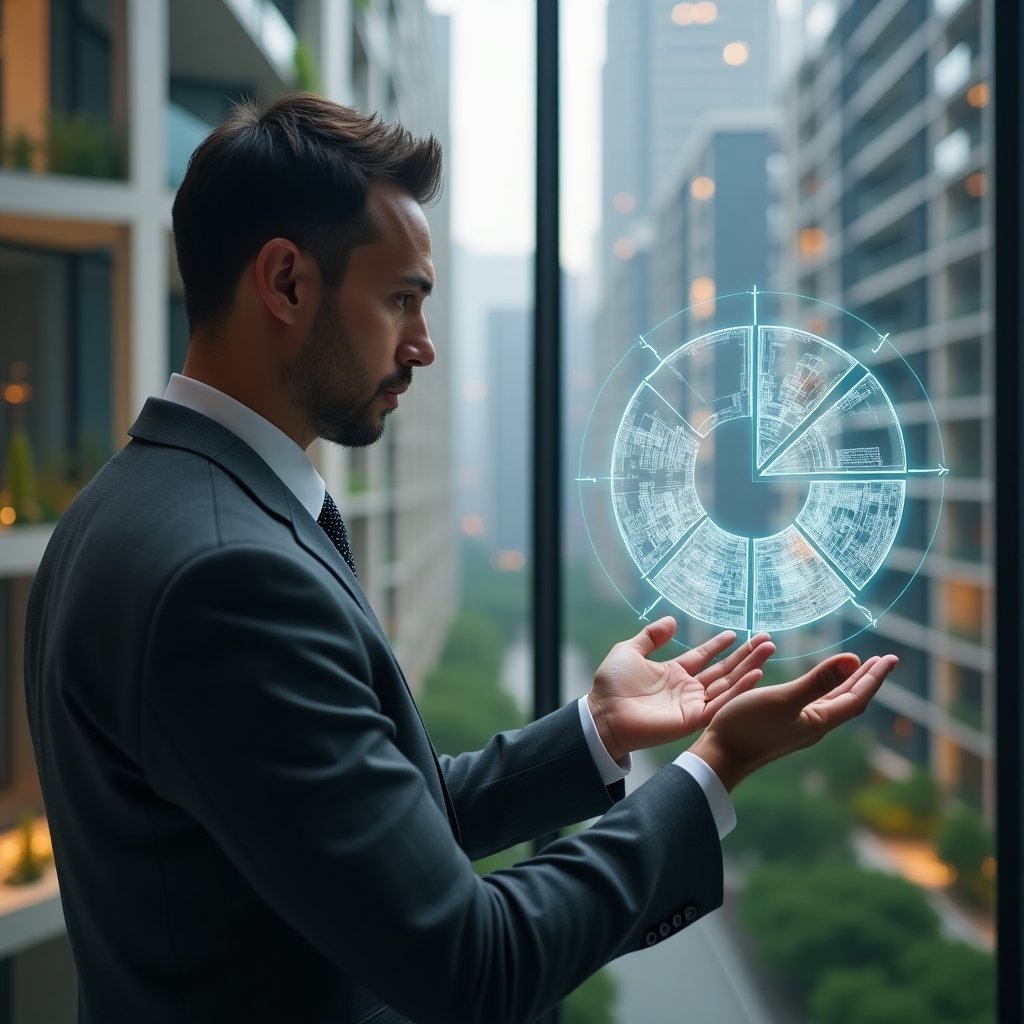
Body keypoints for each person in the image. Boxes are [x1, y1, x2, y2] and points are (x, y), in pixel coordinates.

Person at [23, 94, 897, 1024]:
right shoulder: (225, 575)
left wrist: (593, 733)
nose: (424, 346)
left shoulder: (122, 508)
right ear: (284, 283)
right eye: (401, 299)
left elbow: (355, 825)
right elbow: (474, 963)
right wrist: (710, 773)